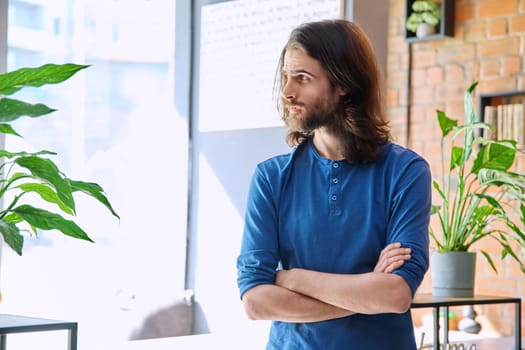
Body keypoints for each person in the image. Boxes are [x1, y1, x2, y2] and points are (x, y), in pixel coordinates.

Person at [236, 19, 431, 349]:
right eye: (286, 76)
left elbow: (395, 295)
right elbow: (256, 302)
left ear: (343, 84)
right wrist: (364, 292)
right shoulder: (270, 178)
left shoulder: (406, 172)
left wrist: (291, 278)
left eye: (302, 78)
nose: (287, 91)